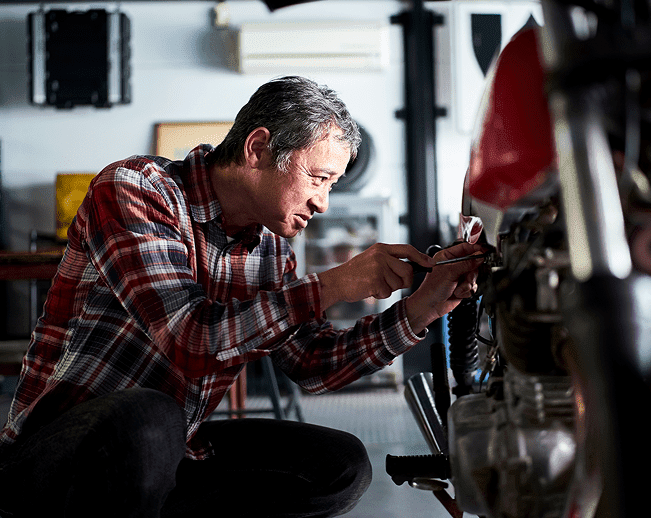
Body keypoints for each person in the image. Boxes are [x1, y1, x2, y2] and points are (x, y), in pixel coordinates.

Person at [0, 75, 484, 518]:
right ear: (257, 149)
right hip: (64, 456)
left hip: (174, 452)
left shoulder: (271, 247)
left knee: (339, 465)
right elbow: (189, 339)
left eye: (332, 185)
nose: (324, 202)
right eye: (318, 179)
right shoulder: (137, 190)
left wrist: (422, 308)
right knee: (148, 415)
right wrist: (337, 284)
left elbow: (312, 364)